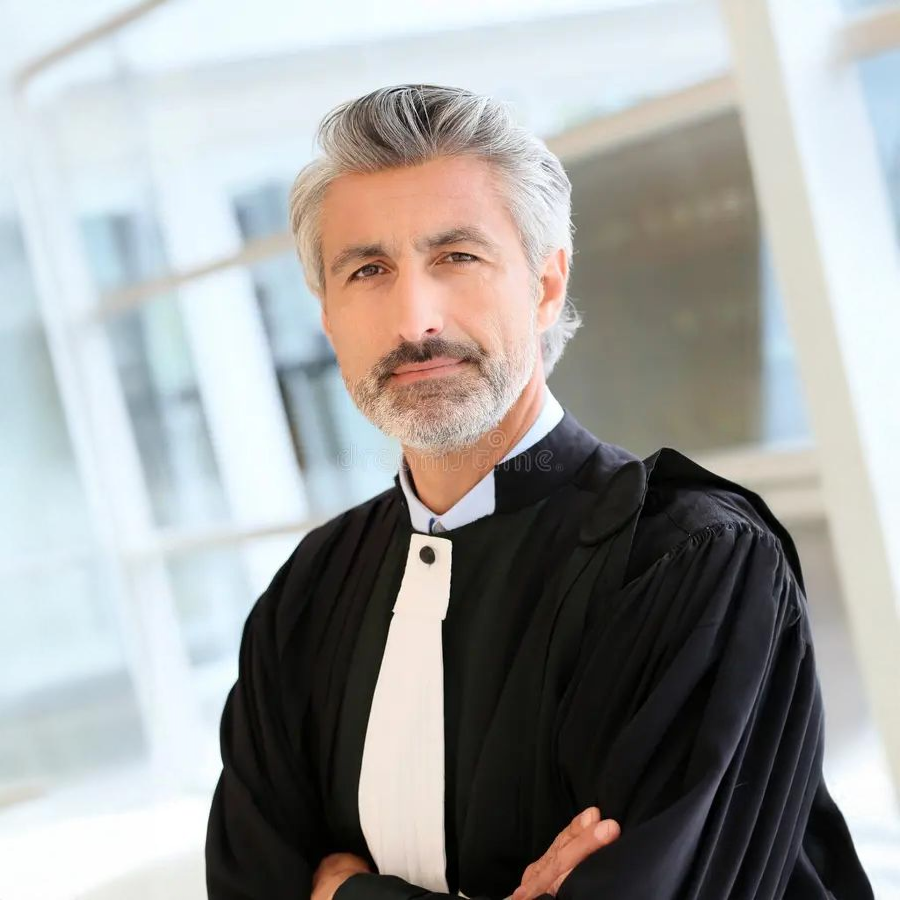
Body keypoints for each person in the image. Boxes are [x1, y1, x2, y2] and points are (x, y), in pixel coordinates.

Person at [205, 84, 873, 900]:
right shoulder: (309, 592)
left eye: (457, 257)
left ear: (547, 284)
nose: (415, 319)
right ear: (327, 316)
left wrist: (343, 892)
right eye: (368, 270)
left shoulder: (696, 564)